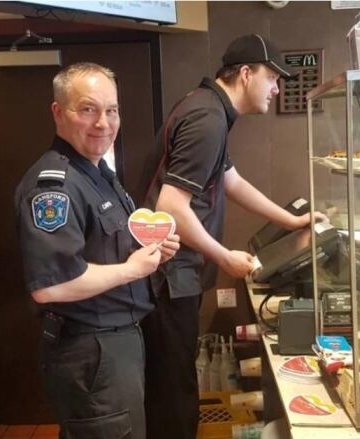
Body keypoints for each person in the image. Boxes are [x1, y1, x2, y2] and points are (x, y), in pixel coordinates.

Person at [139, 34, 328, 439]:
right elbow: (171, 205)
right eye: (273, 78)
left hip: (175, 272)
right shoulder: (207, 118)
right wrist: (225, 257)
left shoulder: (209, 109)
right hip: (167, 275)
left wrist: (291, 221)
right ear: (246, 74)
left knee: (173, 382)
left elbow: (231, 181)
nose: (277, 89)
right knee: (173, 389)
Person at [13, 62, 179, 439]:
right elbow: (50, 287)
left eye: (112, 110)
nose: (103, 122)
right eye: (87, 109)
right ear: (58, 112)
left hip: (117, 342)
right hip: (92, 350)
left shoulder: (99, 173)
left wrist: (150, 251)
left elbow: (104, 248)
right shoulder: (54, 187)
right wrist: (133, 269)